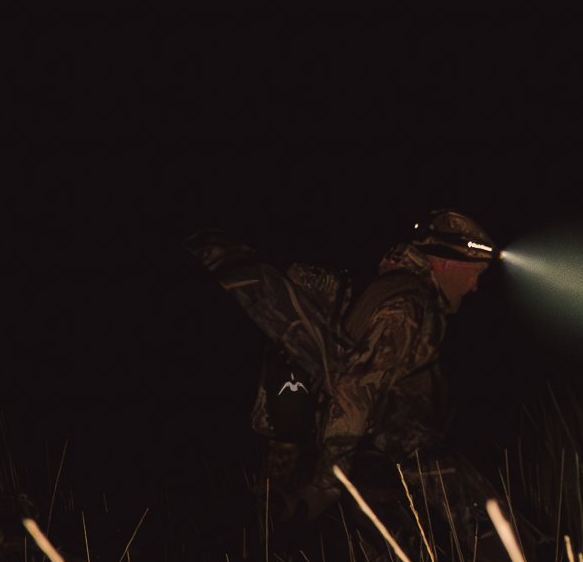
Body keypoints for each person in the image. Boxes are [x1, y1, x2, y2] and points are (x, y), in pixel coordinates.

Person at [188, 211, 499, 529]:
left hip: (336, 453)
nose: (475, 286)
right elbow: (357, 390)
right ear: (448, 263)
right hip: (343, 456)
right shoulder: (408, 306)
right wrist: (325, 487)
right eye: (476, 273)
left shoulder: (395, 289)